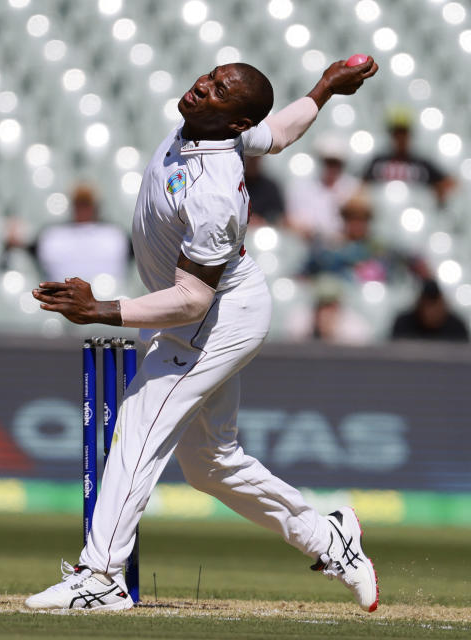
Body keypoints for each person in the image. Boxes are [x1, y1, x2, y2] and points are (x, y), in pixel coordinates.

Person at [28, 59, 380, 612]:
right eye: (209, 77)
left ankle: (101, 576)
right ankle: (328, 536)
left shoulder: (215, 189)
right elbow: (280, 133)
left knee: (140, 425)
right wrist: (325, 88)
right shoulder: (211, 126)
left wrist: (102, 308)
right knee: (210, 463)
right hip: (207, 313)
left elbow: (194, 298)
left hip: (213, 318)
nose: (201, 88)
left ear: (234, 123)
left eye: (218, 92)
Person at [304, 191, 428, 283]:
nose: (357, 224)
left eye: (362, 219)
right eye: (351, 218)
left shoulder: (379, 246)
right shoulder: (329, 248)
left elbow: (407, 257)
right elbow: (308, 272)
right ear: (344, 220)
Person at [34, 185, 130, 283]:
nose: (83, 210)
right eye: (79, 205)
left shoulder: (114, 235)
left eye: (86, 205)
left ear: (95, 207)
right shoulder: (52, 237)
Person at [363, 109, 455, 206]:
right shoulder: (378, 162)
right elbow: (361, 185)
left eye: (404, 134)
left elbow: (448, 182)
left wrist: (436, 191)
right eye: (397, 134)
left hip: (416, 212)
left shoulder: (422, 163)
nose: (400, 138)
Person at [286, 133, 360, 241]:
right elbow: (294, 222)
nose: (332, 167)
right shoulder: (303, 188)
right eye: (328, 162)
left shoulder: (354, 188)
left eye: (336, 163)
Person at [390, 279, 470, 343]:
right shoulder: (403, 324)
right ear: (419, 305)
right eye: (428, 305)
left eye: (435, 305)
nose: (431, 312)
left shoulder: (457, 327)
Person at [313, 274, 373, 345]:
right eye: (321, 306)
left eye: (330, 306)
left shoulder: (356, 330)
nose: (325, 313)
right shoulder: (303, 322)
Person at [243, 154, 285, 227]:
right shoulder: (233, 186)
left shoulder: (270, 187)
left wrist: (263, 221)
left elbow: (279, 216)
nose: (251, 161)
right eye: (249, 157)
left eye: (255, 157)